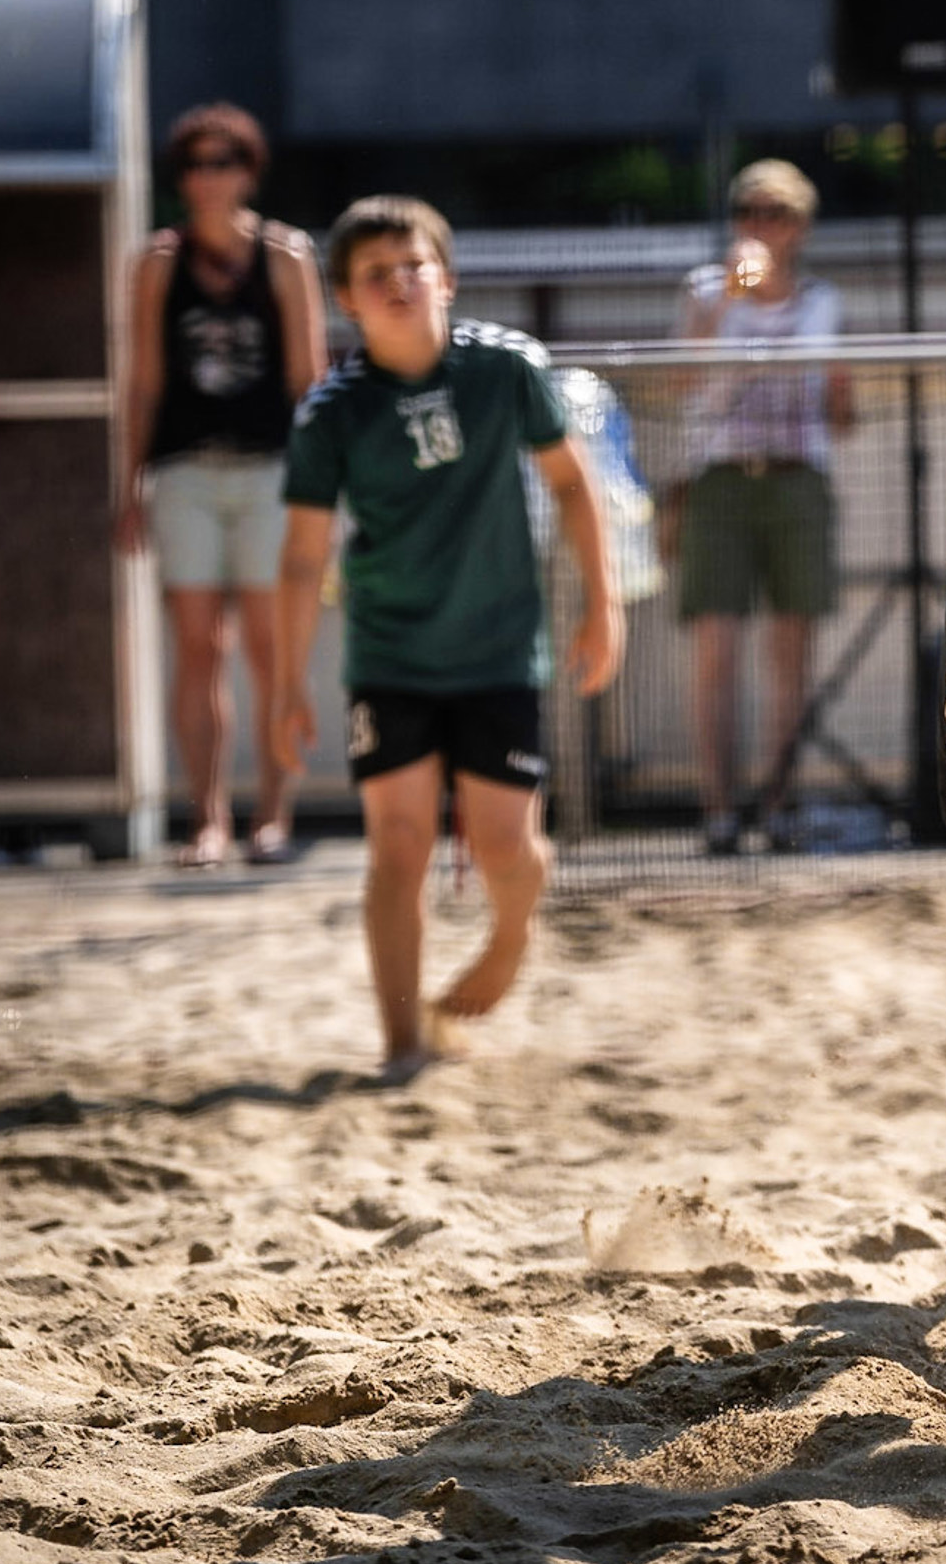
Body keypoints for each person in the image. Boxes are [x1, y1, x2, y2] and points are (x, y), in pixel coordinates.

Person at [274, 197, 622, 1081]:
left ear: (447, 277)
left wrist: (602, 604)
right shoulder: (333, 412)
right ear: (347, 299)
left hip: (499, 648)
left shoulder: (505, 369)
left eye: (413, 265)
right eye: (375, 274)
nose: (398, 283)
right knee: (398, 847)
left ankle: (510, 939)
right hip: (388, 655)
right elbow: (302, 556)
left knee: (507, 848)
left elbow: (575, 488)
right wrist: (285, 685)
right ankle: (401, 1044)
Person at [115, 103, 327, 868]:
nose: (209, 178)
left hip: (272, 472)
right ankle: (207, 820)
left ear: (249, 170)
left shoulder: (286, 255)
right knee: (199, 649)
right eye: (196, 164)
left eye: (224, 162)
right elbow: (143, 380)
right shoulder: (157, 262)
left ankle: (273, 814)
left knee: (274, 650)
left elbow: (311, 379)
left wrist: (323, 486)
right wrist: (128, 484)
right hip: (185, 472)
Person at [675, 158, 850, 855]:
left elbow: (841, 406)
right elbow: (682, 380)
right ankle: (717, 809)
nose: (760, 226)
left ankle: (778, 805)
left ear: (801, 227)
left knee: (791, 656)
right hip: (719, 480)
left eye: (776, 213)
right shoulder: (702, 290)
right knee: (715, 651)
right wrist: (725, 296)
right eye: (749, 212)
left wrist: (838, 394)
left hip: (797, 478)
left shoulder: (823, 301)